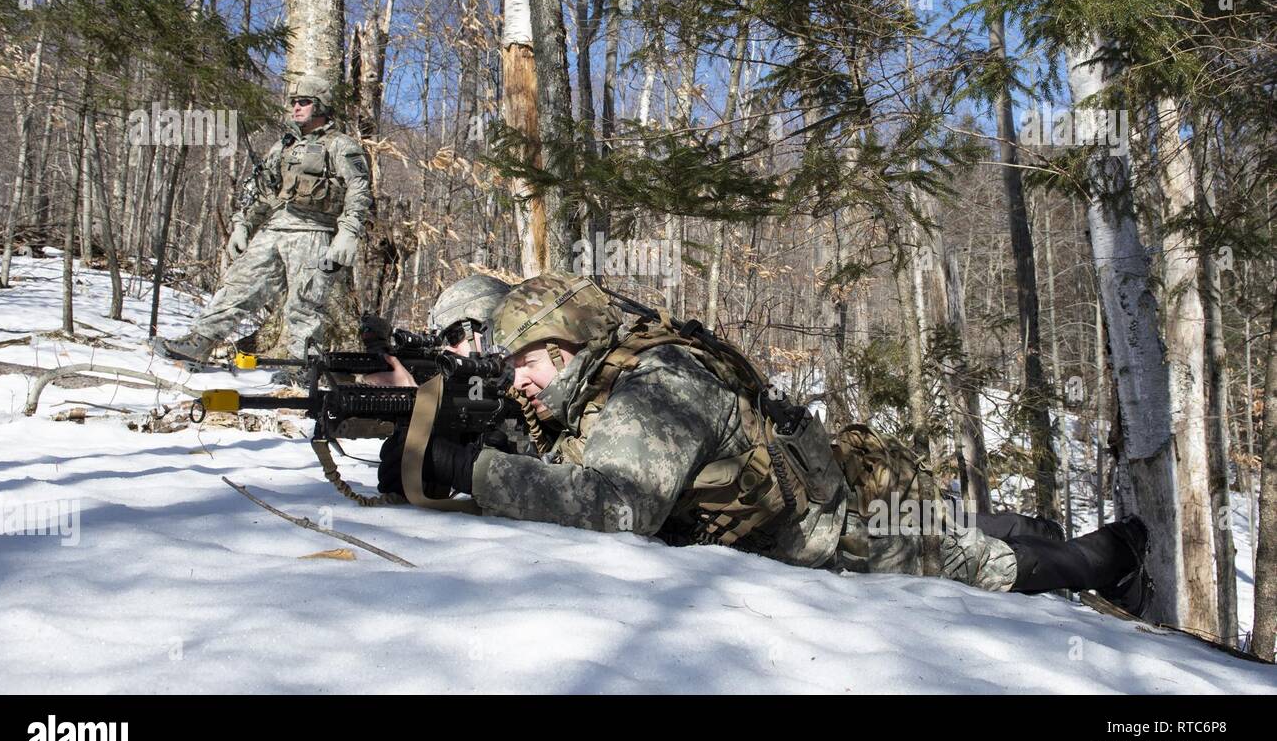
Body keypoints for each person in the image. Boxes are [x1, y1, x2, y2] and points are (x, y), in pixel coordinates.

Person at [409, 272, 1153, 615]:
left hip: (830, 541)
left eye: (523, 366)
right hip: (805, 520)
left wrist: (466, 470)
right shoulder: (589, 386)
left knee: (981, 563)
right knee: (954, 535)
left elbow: (613, 508)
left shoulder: (655, 386)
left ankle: (1115, 550)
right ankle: (1043, 532)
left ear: (564, 349)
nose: (516, 384)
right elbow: (559, 459)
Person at [152, 75, 374, 370]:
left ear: (321, 106)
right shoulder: (282, 146)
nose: (296, 108)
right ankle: (199, 343)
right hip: (275, 227)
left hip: (314, 233)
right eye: (294, 102)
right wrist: (243, 224)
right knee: (238, 285)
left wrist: (348, 232)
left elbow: (359, 188)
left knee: (305, 305)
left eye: (304, 102)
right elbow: (261, 189)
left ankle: (301, 371)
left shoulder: (341, 146)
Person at [361, 274, 515, 498]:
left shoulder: (538, 394)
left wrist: (455, 465)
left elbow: (552, 488)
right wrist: (417, 421)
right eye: (445, 341)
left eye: (454, 336)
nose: (448, 350)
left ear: (491, 328)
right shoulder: (476, 392)